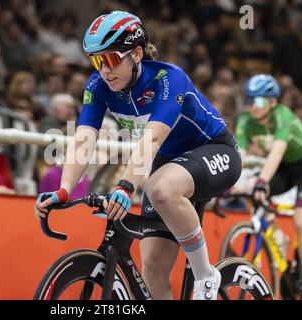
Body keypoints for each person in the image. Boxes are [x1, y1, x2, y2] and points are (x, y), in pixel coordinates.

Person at [34, 11, 242, 300]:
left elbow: (153, 138)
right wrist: (64, 189)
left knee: (160, 187)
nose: (103, 70)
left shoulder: (168, 79)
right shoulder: (99, 86)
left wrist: (125, 185)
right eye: (96, 60)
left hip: (215, 151)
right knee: (153, 269)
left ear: (136, 53)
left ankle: (206, 275)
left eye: (109, 59)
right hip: (168, 161)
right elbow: (83, 138)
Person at [235, 74, 302, 300]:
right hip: (285, 168)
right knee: (249, 187)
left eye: (260, 101)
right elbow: (239, 157)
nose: (254, 106)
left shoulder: (283, 115)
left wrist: (263, 182)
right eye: (250, 100)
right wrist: (223, 182)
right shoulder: (245, 120)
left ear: (273, 102)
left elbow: (275, 154)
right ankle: (276, 233)